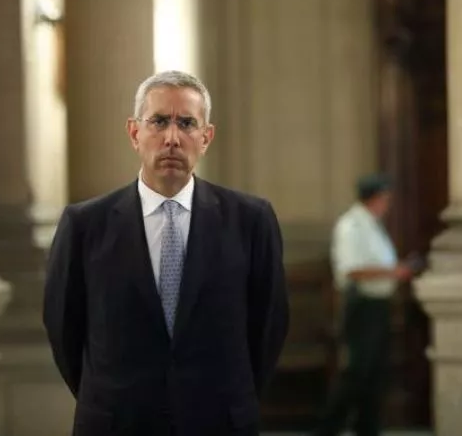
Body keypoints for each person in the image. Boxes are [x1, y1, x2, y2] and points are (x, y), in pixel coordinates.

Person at [43, 70, 289, 436]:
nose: (172, 138)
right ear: (134, 133)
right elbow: (64, 328)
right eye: (158, 121)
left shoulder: (251, 221)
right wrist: (108, 399)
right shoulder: (85, 225)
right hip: (117, 423)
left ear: (206, 138)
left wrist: (232, 400)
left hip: (219, 422)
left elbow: (268, 326)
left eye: (187, 124)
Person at [311, 174, 417, 436]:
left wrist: (396, 269)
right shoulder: (351, 226)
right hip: (362, 306)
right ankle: (326, 430)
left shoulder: (372, 225)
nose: (387, 204)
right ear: (375, 198)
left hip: (379, 306)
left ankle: (367, 429)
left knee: (375, 374)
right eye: (385, 199)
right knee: (357, 372)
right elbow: (352, 269)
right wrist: (394, 272)